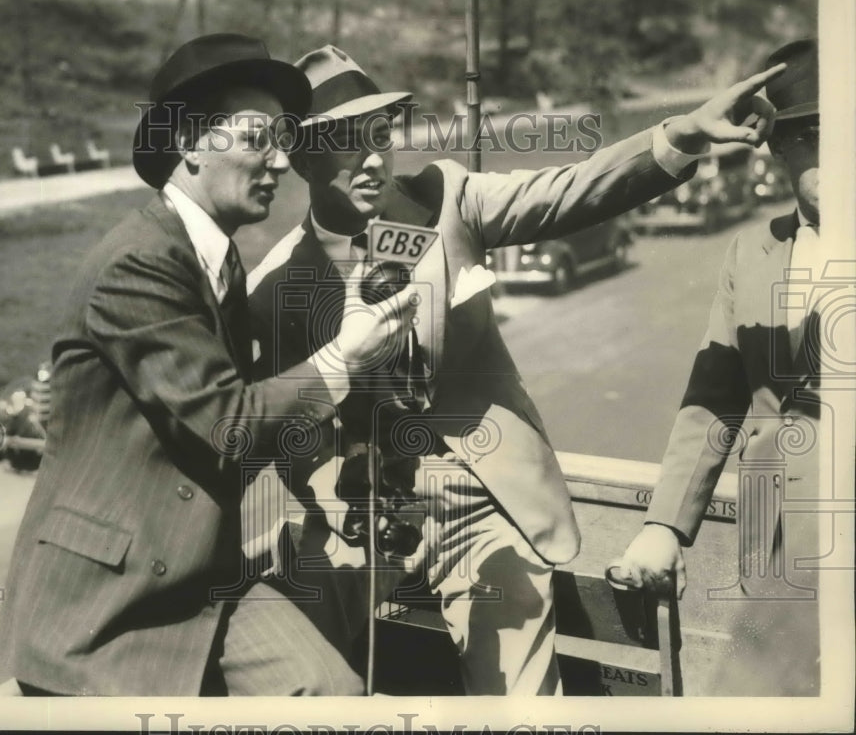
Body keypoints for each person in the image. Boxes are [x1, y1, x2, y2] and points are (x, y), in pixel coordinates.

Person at [247, 44, 785, 695]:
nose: (371, 159)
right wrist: (367, 504)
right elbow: (283, 432)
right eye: (343, 142)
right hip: (357, 524)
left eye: (380, 135)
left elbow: (568, 191)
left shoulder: (447, 199)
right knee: (306, 684)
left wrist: (682, 134)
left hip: (480, 508)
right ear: (302, 158)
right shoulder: (275, 287)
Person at [0, 33, 418, 697]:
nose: (281, 160)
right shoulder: (141, 259)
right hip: (104, 609)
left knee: (327, 691)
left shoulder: (220, 263)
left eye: (285, 138)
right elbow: (229, 422)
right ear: (190, 141)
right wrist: (345, 355)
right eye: (259, 139)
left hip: (198, 581)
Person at [610, 38, 822, 696]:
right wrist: (664, 525)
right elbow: (715, 395)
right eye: (812, 138)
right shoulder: (752, 253)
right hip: (773, 538)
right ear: (781, 149)